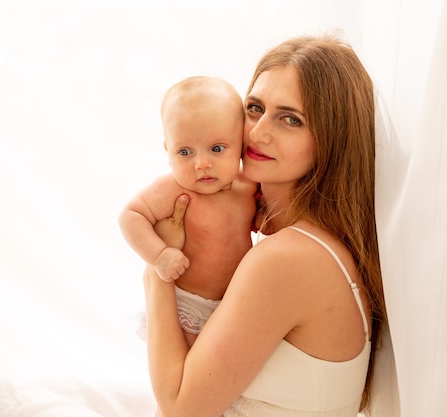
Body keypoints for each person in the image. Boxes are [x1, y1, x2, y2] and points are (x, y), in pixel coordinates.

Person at [143, 36, 387, 417]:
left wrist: (157, 271)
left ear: (331, 140)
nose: (258, 133)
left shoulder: (288, 258)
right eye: (255, 108)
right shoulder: (305, 244)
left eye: (291, 119)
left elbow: (179, 410)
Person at [118, 76, 258, 346]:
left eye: (217, 149)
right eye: (185, 152)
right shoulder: (173, 190)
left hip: (233, 304)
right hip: (187, 305)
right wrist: (159, 255)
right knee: (185, 367)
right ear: (167, 151)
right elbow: (130, 216)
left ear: (240, 145)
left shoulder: (248, 186)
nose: (202, 164)